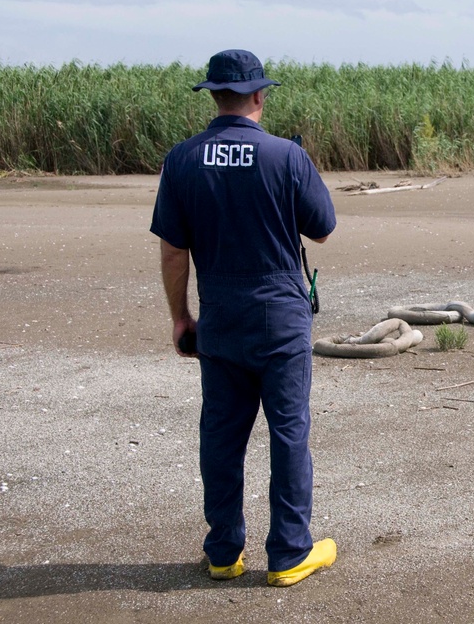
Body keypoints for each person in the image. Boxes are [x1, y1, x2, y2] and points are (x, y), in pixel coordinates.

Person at [150, 49, 337, 587]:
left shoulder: (182, 160)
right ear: (259, 95)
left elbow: (172, 250)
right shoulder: (285, 156)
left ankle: (224, 552)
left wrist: (181, 319)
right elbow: (322, 229)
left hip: (221, 317)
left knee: (222, 434)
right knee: (289, 432)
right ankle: (288, 553)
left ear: (213, 95)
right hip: (279, 314)